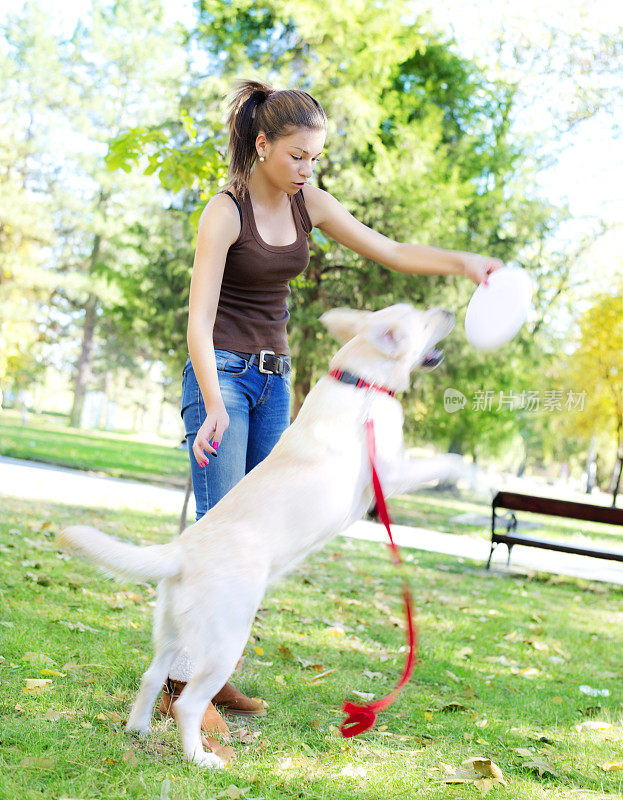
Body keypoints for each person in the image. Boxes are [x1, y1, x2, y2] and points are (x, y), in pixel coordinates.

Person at [160, 78, 504, 741]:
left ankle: (212, 669)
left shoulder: (307, 203)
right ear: (261, 145)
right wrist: (210, 404)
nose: (306, 169)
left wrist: (465, 265)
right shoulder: (223, 211)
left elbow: (393, 253)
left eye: (314, 158)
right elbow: (198, 323)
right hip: (222, 378)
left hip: (275, 382)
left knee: (257, 536)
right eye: (296, 156)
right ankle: (184, 682)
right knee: (219, 526)